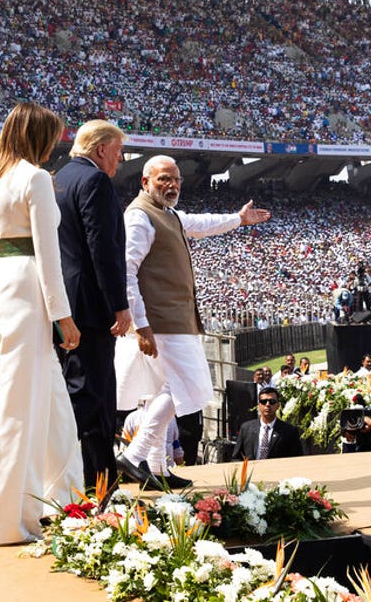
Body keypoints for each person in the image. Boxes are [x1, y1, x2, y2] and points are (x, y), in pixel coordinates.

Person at [114, 154, 271, 489]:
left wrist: (238, 219)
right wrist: (140, 325)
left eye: (176, 179)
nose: (171, 186)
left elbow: (200, 223)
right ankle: (135, 455)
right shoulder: (139, 217)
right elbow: (125, 273)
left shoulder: (168, 214)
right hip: (162, 322)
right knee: (192, 387)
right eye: (163, 179)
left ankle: (157, 468)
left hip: (172, 320)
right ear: (145, 182)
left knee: (162, 391)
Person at [0, 102, 84, 546]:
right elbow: (48, 254)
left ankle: (67, 497)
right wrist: (63, 316)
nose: (56, 143)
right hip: (29, 293)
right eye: (52, 136)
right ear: (38, 136)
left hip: (0, 288)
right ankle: (10, 522)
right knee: (21, 410)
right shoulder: (34, 177)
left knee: (53, 403)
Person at [53, 119, 133, 490]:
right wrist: (119, 305)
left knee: (78, 388)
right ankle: (97, 481)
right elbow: (104, 249)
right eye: (118, 152)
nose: (120, 160)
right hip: (90, 306)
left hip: (64, 302)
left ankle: (87, 476)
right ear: (101, 149)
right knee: (94, 395)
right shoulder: (95, 181)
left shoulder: (60, 178)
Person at [231, 387, 303, 460]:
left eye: (272, 401)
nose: (268, 405)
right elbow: (236, 457)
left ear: (278, 405)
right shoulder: (246, 428)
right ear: (259, 405)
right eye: (263, 401)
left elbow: (297, 459)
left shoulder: (290, 431)